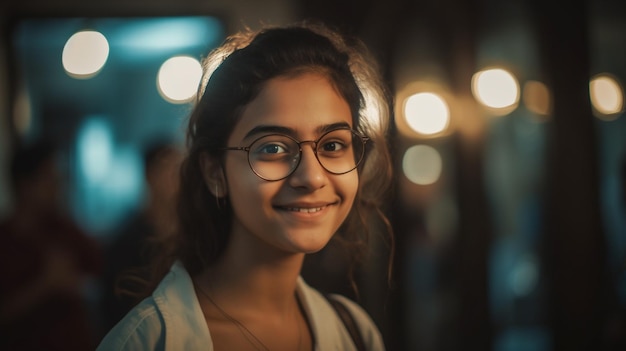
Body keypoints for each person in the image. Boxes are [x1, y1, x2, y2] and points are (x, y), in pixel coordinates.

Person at [98, 21, 393, 351]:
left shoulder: (354, 331)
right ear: (215, 173)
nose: (312, 177)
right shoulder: (146, 341)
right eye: (273, 148)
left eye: (333, 145)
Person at [0, 139, 103, 350]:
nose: (58, 187)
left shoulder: (65, 230)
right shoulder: (5, 239)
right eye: (50, 179)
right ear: (25, 185)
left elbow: (102, 277)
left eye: (59, 179)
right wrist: (44, 285)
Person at [100, 141, 182, 331]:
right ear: (148, 175)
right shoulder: (128, 241)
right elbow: (116, 309)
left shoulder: (192, 237)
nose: (176, 178)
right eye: (168, 169)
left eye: (179, 170)